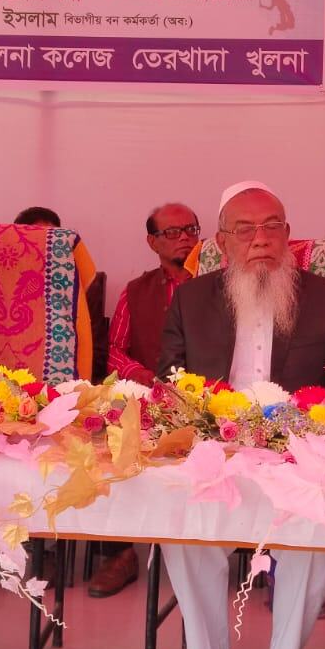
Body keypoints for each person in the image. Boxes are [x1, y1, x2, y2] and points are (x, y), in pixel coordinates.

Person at [157, 182, 325, 649]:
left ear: (288, 234)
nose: (260, 239)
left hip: (299, 459)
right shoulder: (191, 299)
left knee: (317, 537)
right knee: (182, 532)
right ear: (222, 241)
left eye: (272, 227)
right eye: (245, 229)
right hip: (214, 455)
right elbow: (170, 382)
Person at [93, 203, 200, 598]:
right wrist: (144, 378)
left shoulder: (219, 284)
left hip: (207, 401)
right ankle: (119, 554)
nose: (185, 238)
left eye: (191, 229)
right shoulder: (136, 292)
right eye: (172, 232)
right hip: (149, 397)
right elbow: (114, 351)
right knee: (106, 444)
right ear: (152, 242)